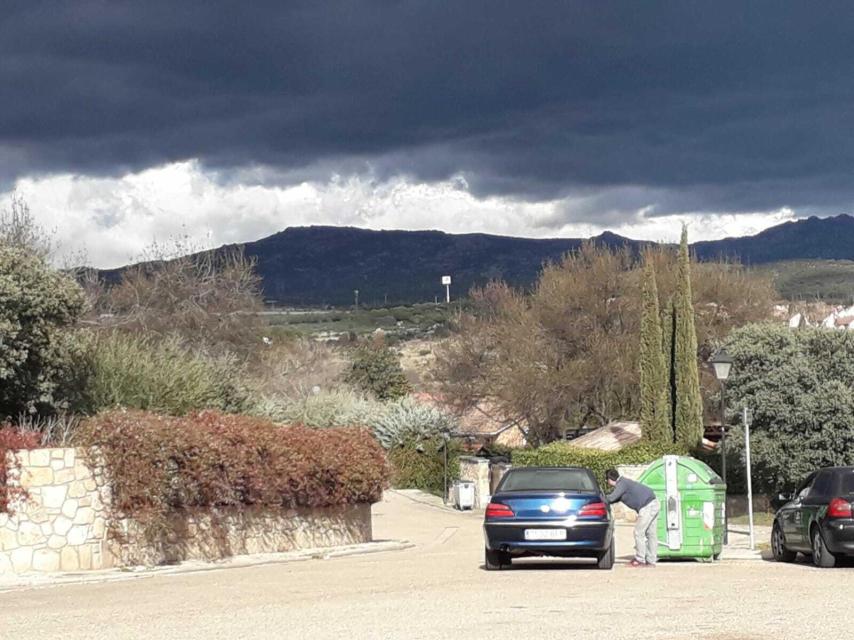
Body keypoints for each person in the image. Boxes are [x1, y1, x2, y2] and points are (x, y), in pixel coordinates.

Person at [604, 468, 660, 567]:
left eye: (607, 481)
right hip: (653, 503)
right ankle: (651, 561)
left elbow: (611, 498)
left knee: (639, 532)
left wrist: (601, 497)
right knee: (651, 534)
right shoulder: (624, 482)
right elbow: (616, 499)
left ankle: (640, 559)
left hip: (647, 506)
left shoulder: (621, 484)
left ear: (609, 479)